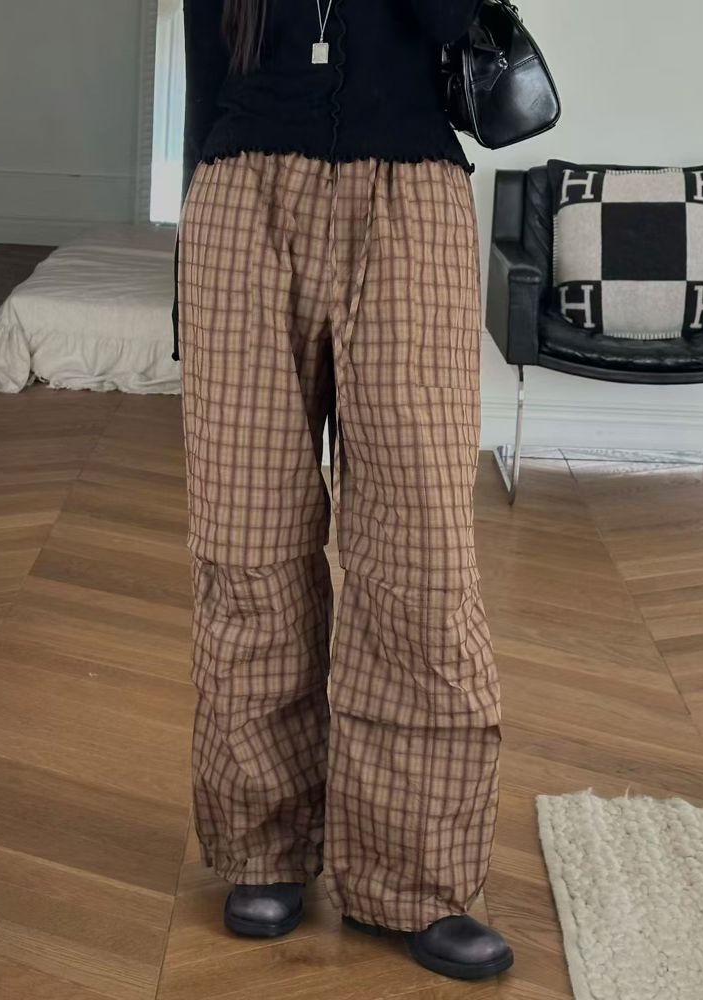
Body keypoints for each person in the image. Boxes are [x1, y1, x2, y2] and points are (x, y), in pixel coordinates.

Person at [173, 0, 513, 982]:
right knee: (247, 547)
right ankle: (264, 847)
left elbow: (457, 22)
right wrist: (188, 290)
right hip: (240, 207)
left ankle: (415, 876)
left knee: (422, 560)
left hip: (412, 201)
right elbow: (206, 81)